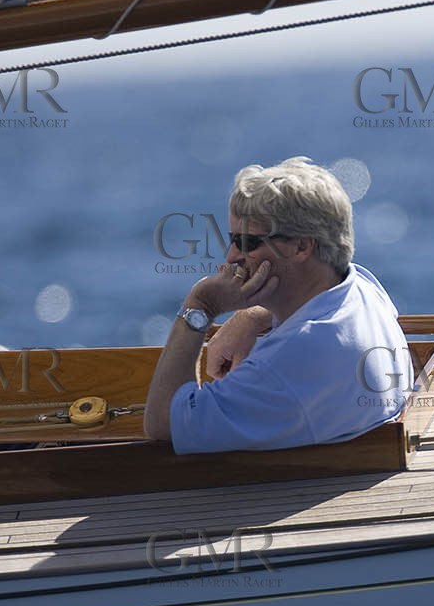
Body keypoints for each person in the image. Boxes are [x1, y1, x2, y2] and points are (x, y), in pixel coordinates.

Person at [144, 156, 411, 452]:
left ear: (300, 246)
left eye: (248, 243)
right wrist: (251, 317)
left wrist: (200, 307)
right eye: (232, 239)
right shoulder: (362, 287)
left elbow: (162, 423)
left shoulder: (291, 359)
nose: (231, 256)